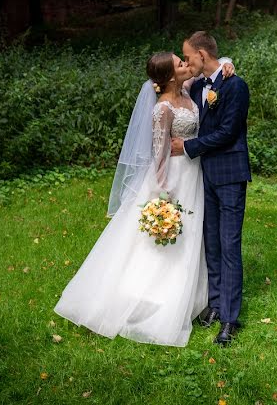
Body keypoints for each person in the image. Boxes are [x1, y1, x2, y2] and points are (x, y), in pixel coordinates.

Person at [53, 51, 233, 347]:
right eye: (179, 63)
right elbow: (158, 153)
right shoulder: (162, 108)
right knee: (167, 238)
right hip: (174, 179)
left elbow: (215, 64)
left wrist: (228, 63)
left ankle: (195, 296)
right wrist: (164, 194)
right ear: (171, 76)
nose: (186, 65)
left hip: (194, 172)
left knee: (193, 235)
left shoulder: (188, 90)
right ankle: (153, 297)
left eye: (184, 59)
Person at [172, 31, 251, 346]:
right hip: (206, 176)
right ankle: (215, 304)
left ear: (202, 55)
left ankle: (230, 319)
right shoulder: (201, 85)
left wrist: (189, 147)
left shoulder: (236, 86)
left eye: (189, 56)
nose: (187, 61)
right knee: (212, 243)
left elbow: (228, 132)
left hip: (230, 174)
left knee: (229, 245)